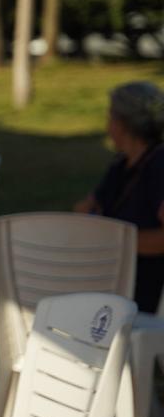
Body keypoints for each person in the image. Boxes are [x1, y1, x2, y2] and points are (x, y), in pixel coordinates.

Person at [76, 82, 164, 313]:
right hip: (109, 277)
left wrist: (116, 242)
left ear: (122, 123)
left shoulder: (158, 166)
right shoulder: (122, 165)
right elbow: (84, 209)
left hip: (140, 288)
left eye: (109, 117)